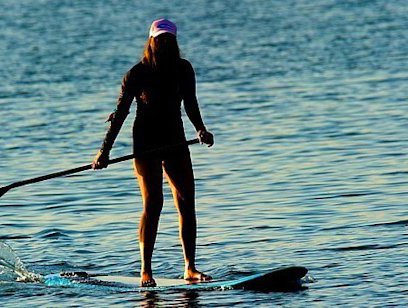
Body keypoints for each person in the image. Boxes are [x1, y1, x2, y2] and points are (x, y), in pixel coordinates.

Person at [92, 18, 214, 287]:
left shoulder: (184, 69)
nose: (164, 44)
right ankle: (145, 270)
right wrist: (104, 152)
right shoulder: (137, 74)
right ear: (151, 41)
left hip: (175, 141)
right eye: (160, 40)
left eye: (169, 40)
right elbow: (120, 114)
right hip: (145, 143)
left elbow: (191, 103)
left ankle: (190, 268)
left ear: (175, 43)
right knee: (154, 204)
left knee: (186, 201)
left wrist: (201, 130)